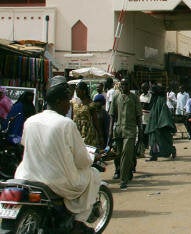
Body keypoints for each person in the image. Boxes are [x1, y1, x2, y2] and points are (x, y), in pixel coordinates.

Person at [15, 76, 100, 233]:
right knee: (92, 174)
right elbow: (82, 161)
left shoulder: (31, 121)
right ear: (60, 101)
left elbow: (25, 145)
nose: (69, 106)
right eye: (67, 102)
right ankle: (78, 220)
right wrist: (90, 159)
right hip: (56, 182)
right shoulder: (66, 124)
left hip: (27, 177)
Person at [109, 79, 142, 190]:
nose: (124, 86)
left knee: (126, 154)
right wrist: (110, 132)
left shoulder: (134, 98)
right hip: (118, 130)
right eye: (122, 84)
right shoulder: (115, 97)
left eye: (126, 84)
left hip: (130, 130)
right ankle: (126, 172)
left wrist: (140, 130)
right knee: (118, 154)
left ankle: (123, 180)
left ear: (129, 85)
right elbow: (112, 115)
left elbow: (138, 116)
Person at [145, 85, 176, 161]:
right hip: (153, 124)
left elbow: (164, 112)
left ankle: (172, 150)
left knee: (163, 141)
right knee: (153, 141)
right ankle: (154, 155)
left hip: (160, 124)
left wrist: (162, 123)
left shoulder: (161, 100)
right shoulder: (155, 100)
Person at [73, 82, 103, 148]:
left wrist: (100, 135)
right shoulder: (75, 102)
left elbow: (95, 121)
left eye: (78, 90)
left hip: (88, 132)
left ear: (84, 91)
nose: (76, 92)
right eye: (76, 90)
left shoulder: (91, 104)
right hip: (76, 130)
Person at [138, 82, 152, 158]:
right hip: (143, 119)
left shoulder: (151, 96)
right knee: (143, 135)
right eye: (142, 88)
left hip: (149, 119)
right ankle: (143, 150)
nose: (143, 90)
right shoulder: (141, 96)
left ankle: (150, 150)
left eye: (145, 88)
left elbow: (150, 107)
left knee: (149, 135)